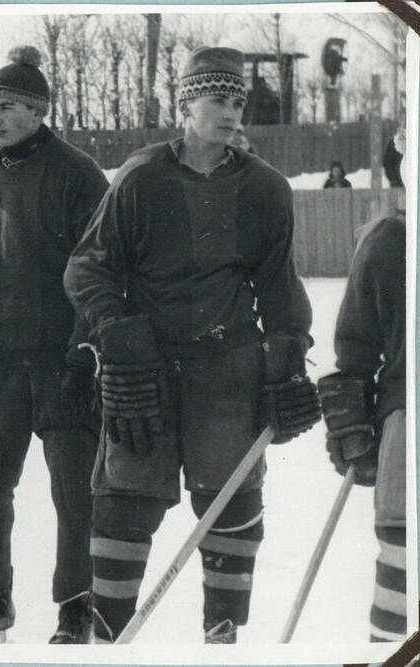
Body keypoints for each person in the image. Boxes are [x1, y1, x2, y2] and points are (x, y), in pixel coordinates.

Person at [64, 47, 321, 644]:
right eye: (217, 100)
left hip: (227, 369)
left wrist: (286, 363)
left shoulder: (266, 189)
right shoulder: (141, 177)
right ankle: (109, 641)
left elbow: (279, 285)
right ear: (185, 105)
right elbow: (86, 269)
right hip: (143, 372)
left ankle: (222, 640)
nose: (232, 113)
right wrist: (118, 334)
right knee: (125, 502)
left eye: (238, 102)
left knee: (230, 504)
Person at [0, 45, 108, 645]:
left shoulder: (77, 172)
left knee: (73, 486)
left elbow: (100, 269)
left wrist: (83, 352)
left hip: (62, 359)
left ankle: (76, 605)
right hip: (1, 360)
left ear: (40, 110)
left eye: (10, 106)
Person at [318, 127, 408, 643]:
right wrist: (350, 419)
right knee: (401, 565)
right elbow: (355, 345)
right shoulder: (388, 240)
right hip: (408, 422)